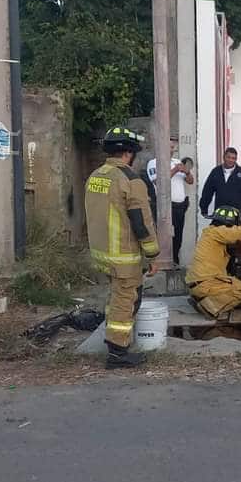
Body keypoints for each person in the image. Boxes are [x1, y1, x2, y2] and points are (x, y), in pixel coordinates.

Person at [85, 127, 160, 369]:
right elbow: (141, 222)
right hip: (123, 256)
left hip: (101, 253)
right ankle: (118, 353)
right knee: (126, 300)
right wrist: (152, 254)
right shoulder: (130, 180)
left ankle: (113, 340)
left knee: (115, 297)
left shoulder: (96, 175)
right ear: (128, 153)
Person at [185, 205, 241, 320]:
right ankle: (209, 308)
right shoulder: (218, 232)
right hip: (206, 284)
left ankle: (201, 298)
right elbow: (237, 233)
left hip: (197, 284)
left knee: (231, 282)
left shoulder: (209, 233)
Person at [146, 136, 195, 265]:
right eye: (169, 147)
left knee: (178, 236)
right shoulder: (154, 162)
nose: (172, 150)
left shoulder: (177, 161)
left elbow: (190, 181)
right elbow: (158, 182)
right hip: (166, 206)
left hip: (180, 206)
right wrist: (175, 170)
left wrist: (187, 172)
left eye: (173, 147)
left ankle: (175, 261)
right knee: (165, 236)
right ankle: (162, 262)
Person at [199, 147, 241, 223]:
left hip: (238, 215)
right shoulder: (216, 172)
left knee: (238, 235)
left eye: (233, 158)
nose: (231, 160)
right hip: (220, 214)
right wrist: (204, 208)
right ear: (224, 157)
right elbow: (207, 191)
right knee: (220, 234)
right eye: (228, 157)